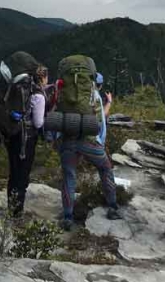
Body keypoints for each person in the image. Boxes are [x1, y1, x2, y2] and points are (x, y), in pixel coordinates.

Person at [48, 57, 121, 231]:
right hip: (89, 142)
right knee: (105, 168)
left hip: (67, 141)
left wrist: (55, 141)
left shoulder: (61, 93)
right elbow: (100, 122)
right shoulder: (93, 94)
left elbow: (55, 117)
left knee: (69, 177)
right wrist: (100, 144)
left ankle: (67, 217)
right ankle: (112, 207)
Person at [5, 64, 49, 218]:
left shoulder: (21, 89)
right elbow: (38, 123)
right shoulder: (38, 95)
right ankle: (17, 213)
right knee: (23, 176)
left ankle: (11, 207)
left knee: (13, 172)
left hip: (12, 135)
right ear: (43, 78)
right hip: (27, 139)